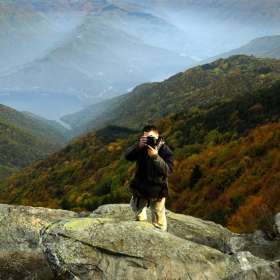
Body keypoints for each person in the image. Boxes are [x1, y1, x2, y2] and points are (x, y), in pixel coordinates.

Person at [124, 125, 174, 231]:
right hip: (140, 186)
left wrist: (155, 156)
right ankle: (142, 224)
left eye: (151, 137)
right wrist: (138, 146)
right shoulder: (141, 147)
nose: (148, 140)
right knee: (136, 208)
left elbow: (168, 171)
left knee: (158, 219)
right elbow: (127, 156)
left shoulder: (165, 151)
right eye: (146, 137)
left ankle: (161, 237)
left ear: (157, 136)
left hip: (157, 189)